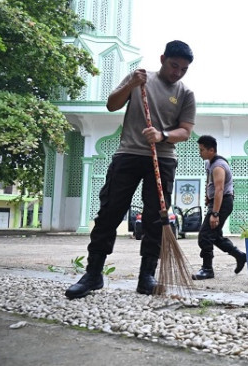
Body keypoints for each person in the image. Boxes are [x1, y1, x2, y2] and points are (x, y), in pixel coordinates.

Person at [65, 40, 196, 299]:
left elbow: (185, 131)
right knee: (110, 213)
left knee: (156, 219)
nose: (177, 73)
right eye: (174, 66)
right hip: (128, 154)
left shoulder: (185, 93)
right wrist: (131, 85)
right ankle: (93, 274)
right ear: (162, 59)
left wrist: (162, 134)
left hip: (163, 158)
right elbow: (112, 104)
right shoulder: (140, 79)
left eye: (183, 69)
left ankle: (146, 275)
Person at [192, 135, 247, 280]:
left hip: (222, 202)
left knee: (205, 235)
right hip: (217, 201)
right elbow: (210, 184)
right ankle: (240, 256)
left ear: (211, 150)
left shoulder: (218, 166)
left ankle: (207, 269)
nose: (200, 152)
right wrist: (207, 196)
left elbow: (219, 190)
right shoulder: (209, 163)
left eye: (202, 150)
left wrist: (215, 213)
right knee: (214, 236)